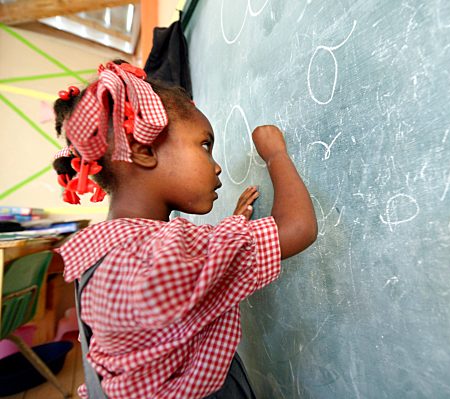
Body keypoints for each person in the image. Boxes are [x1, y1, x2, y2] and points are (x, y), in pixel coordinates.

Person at [52, 61, 317, 399]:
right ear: (144, 151)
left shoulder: (98, 248)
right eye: (205, 145)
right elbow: (298, 228)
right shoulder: (166, 254)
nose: (217, 165)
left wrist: (232, 230)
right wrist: (276, 154)